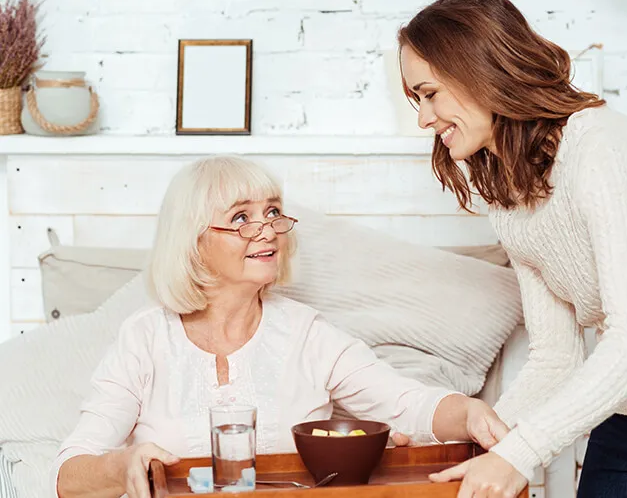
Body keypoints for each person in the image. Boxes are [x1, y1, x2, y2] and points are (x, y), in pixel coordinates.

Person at [398, 0, 627, 497]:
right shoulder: (509, 196)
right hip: (625, 413)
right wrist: (475, 444)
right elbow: (556, 359)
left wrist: (520, 453)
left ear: (479, 72)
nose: (423, 118)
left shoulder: (599, 147)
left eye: (429, 94)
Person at [52, 155, 510, 498]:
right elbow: (67, 475)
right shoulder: (144, 339)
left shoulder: (307, 334)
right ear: (192, 240)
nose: (267, 229)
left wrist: (469, 413)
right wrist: (124, 465)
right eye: (241, 218)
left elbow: (408, 404)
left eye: (273, 212)